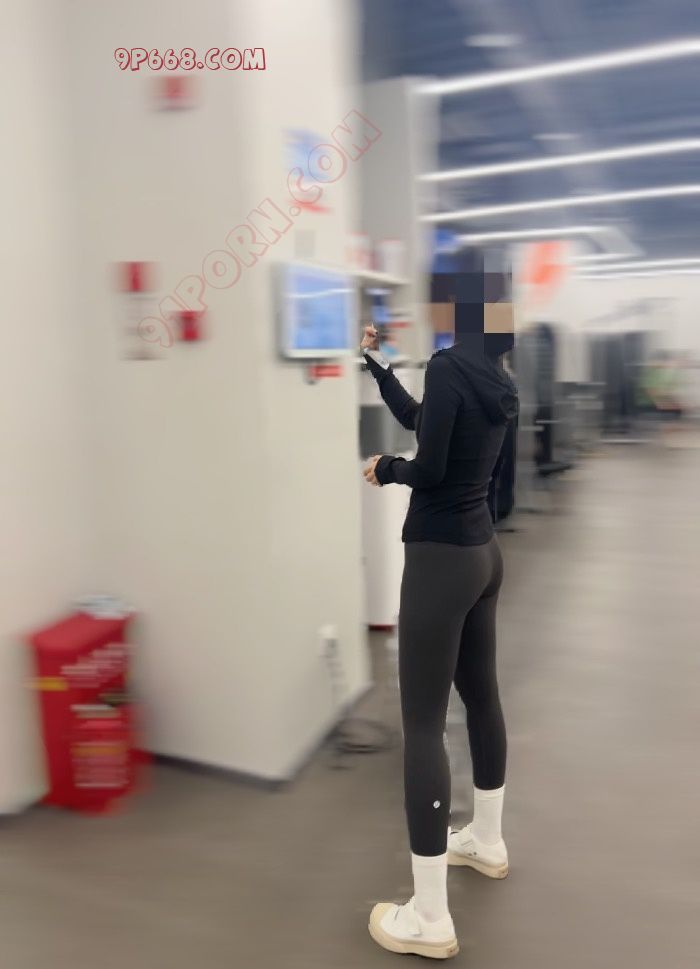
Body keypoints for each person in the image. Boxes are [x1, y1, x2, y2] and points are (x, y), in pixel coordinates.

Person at [360, 323, 518, 959]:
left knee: (422, 725)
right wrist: (377, 365)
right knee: (482, 699)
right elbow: (424, 420)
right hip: (482, 553)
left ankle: (428, 918)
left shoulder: (450, 365)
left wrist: (385, 468)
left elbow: (428, 466)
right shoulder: (493, 375)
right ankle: (487, 841)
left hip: (440, 559)